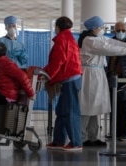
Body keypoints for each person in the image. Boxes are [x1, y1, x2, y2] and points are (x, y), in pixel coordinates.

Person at [78, 16, 126, 147]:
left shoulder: (97, 39)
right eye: (101, 28)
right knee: (87, 107)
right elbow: (108, 49)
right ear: (94, 28)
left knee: (95, 108)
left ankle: (93, 137)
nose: (103, 30)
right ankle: (81, 137)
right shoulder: (89, 40)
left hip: (98, 73)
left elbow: (112, 43)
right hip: (90, 75)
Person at [44, 16, 83, 151]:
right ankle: (58, 141)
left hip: (70, 79)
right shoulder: (70, 38)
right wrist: (45, 71)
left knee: (70, 111)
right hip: (71, 77)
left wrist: (49, 77)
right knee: (61, 110)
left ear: (57, 27)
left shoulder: (61, 39)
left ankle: (76, 142)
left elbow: (58, 62)